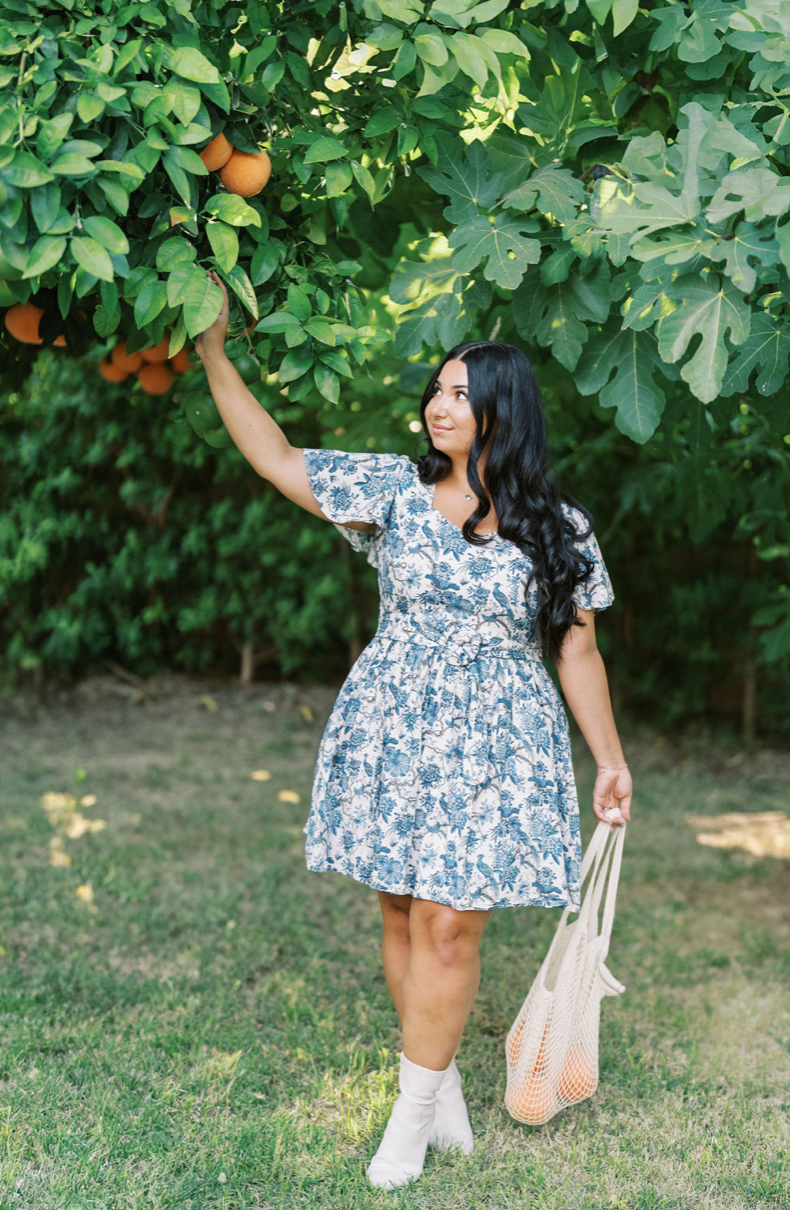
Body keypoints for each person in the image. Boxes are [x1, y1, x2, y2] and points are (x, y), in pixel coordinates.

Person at [196, 271, 633, 1191]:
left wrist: (611, 760)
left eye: (460, 395)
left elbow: (578, 654)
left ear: (502, 413)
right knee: (400, 909)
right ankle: (439, 1090)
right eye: (436, 389)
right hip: (394, 722)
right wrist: (211, 352)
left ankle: (408, 1117)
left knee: (448, 927)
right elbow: (277, 459)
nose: (439, 405)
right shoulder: (394, 492)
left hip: (500, 741)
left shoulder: (559, 527)